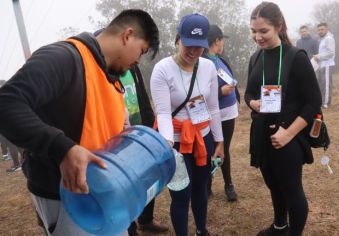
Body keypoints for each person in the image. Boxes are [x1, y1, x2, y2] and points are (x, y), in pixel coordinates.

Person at [0, 9, 159, 236]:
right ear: (128, 35)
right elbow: (6, 103)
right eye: (141, 51)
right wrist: (63, 148)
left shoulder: (110, 76)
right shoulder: (64, 57)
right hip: (68, 198)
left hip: (102, 192)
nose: (137, 61)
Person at [245, 2, 322, 236]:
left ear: (278, 26)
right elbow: (248, 92)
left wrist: (288, 133)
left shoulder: (296, 57)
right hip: (262, 134)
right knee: (273, 185)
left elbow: (313, 102)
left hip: (288, 137)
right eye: (253, 31)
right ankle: (280, 226)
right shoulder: (256, 58)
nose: (258, 37)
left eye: (263, 31)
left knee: (292, 190)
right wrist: (253, 103)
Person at [150, 13, 224, 236]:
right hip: (177, 143)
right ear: (177, 39)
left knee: (201, 189)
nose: (193, 52)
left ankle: (202, 230)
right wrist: (167, 144)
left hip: (203, 138)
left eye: (199, 47)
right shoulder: (162, 70)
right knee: (181, 195)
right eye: (188, 45)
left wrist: (219, 140)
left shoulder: (208, 67)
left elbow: (213, 108)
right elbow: (162, 113)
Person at [121, 65, 169, 235]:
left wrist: (152, 127)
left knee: (148, 176)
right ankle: (128, 227)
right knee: (124, 183)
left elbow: (142, 97)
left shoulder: (132, 66)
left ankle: (146, 219)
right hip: (119, 137)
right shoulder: (105, 65)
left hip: (140, 129)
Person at [204, 24, 239, 201]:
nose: (223, 43)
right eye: (221, 39)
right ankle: (208, 184)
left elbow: (230, 78)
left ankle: (228, 185)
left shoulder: (221, 59)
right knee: (212, 148)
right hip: (213, 113)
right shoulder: (202, 62)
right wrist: (220, 92)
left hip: (229, 112)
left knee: (224, 148)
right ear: (216, 41)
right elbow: (200, 93)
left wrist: (234, 90)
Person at [313, 22, 335, 109]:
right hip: (323, 65)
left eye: (322, 29)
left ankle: (326, 103)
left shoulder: (329, 39)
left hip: (327, 65)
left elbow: (330, 53)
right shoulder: (323, 39)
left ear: (327, 29)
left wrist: (318, 56)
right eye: (318, 30)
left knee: (326, 84)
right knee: (322, 84)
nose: (320, 31)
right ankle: (323, 102)